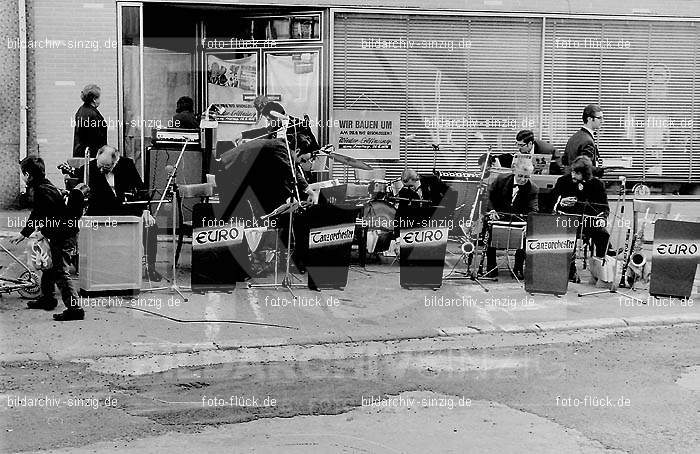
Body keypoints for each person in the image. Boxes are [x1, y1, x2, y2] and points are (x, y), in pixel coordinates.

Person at [11, 156, 84, 321]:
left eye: (23, 174)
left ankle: (75, 308)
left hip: (62, 235)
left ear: (28, 174)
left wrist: (25, 233)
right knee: (49, 267)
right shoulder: (46, 184)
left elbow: (39, 214)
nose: (23, 177)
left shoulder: (40, 190)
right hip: (62, 232)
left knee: (59, 271)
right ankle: (48, 298)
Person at [77, 145, 160, 281]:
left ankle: (150, 267)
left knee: (151, 226)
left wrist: (146, 211)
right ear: (97, 157)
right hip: (101, 213)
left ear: (116, 161)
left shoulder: (127, 164)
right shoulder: (87, 169)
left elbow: (141, 189)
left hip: (126, 210)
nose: (102, 169)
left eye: (107, 167)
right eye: (100, 165)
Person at [552, 156, 610, 282]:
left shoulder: (597, 185)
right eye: (572, 171)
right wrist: (561, 202)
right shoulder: (563, 181)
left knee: (603, 235)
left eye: (577, 173)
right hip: (567, 221)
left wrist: (602, 218)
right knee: (568, 234)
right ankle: (570, 270)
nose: (573, 175)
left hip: (589, 223)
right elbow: (551, 201)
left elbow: (604, 208)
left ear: (585, 174)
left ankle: (598, 271)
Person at [484, 159, 539, 280]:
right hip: (499, 216)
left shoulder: (533, 188)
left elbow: (534, 209)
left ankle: (518, 267)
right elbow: (488, 197)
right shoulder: (501, 180)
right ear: (514, 171)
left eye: (526, 177)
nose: (523, 180)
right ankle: (491, 265)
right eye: (520, 176)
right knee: (489, 228)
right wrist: (492, 211)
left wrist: (528, 222)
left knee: (529, 231)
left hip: (518, 220)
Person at [563, 104, 604, 177]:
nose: (602, 121)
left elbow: (565, 161)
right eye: (599, 118)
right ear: (589, 119)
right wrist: (602, 170)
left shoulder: (573, 137)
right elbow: (586, 167)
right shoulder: (587, 141)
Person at [73, 84, 107, 158]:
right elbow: (97, 138)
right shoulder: (93, 114)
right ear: (94, 99)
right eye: (99, 98)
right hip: (92, 155)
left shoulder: (81, 110)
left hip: (81, 153)